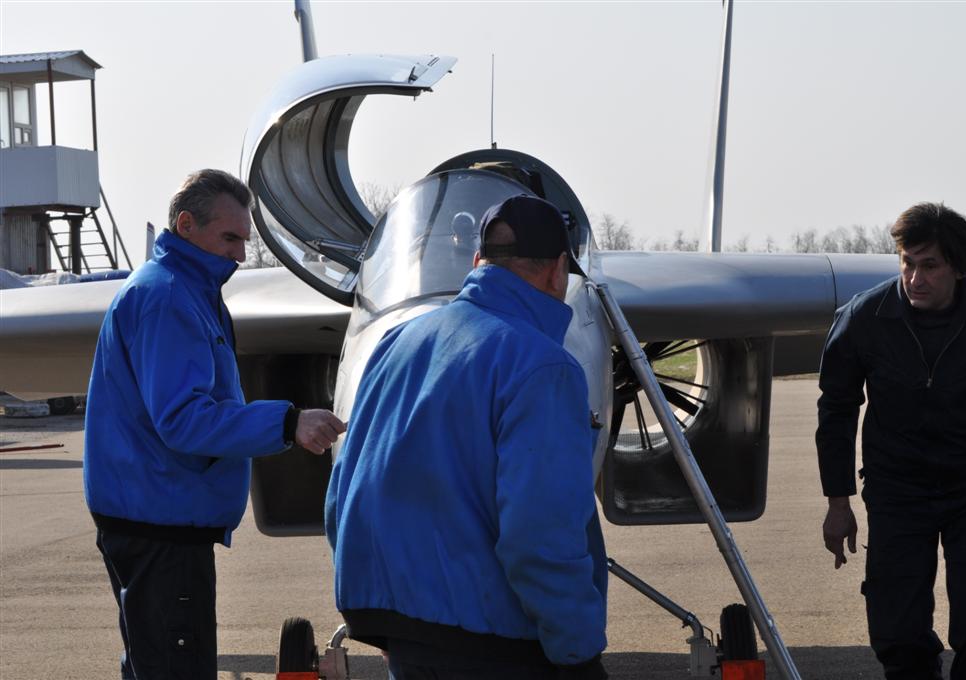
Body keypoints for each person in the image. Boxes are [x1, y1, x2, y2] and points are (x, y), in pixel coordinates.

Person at [325, 193, 608, 679]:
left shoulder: (397, 342)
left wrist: (387, 618)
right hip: (491, 642)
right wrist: (578, 651)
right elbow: (540, 532)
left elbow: (347, 490)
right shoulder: (543, 366)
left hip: (403, 632)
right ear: (558, 270)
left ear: (478, 261)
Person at [84, 169, 345, 680]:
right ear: (186, 225)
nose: (240, 255)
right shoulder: (168, 298)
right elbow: (184, 420)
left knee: (152, 663)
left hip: (152, 519)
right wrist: (288, 422)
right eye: (230, 238)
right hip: (161, 529)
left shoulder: (179, 288)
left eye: (243, 240)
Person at [816, 202, 966, 679]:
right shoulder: (864, 317)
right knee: (899, 636)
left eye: (929, 266)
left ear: (959, 268)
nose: (914, 278)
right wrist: (838, 502)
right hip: (897, 492)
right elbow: (836, 410)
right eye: (907, 263)